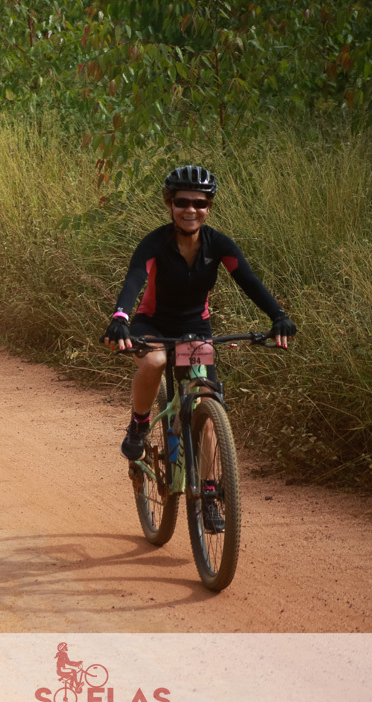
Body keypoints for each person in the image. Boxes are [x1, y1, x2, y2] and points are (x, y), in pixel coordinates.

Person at [101, 166, 296, 528]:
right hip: (153, 323)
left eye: (200, 203)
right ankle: (139, 425)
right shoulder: (155, 243)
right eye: (182, 202)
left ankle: (208, 494)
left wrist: (278, 316)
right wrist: (120, 317)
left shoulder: (218, 244)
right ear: (169, 204)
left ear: (209, 207)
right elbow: (134, 279)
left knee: (206, 402)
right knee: (155, 361)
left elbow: (248, 280)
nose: (191, 210)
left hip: (194, 328)